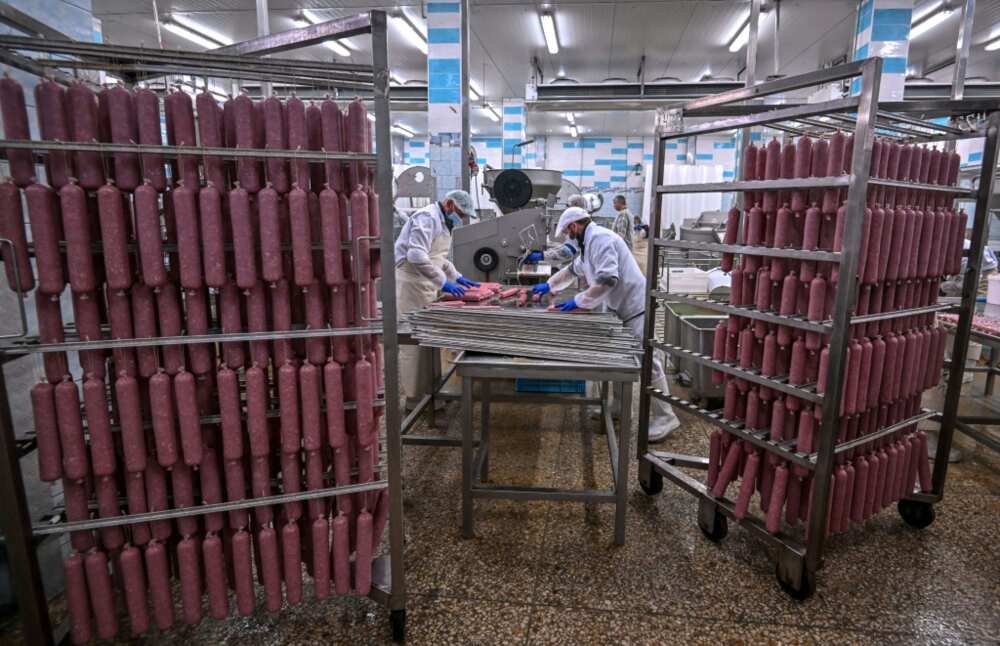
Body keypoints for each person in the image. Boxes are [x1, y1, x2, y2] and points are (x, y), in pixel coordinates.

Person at [532, 206, 680, 442]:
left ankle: (666, 416)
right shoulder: (589, 244)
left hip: (635, 307)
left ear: (574, 226)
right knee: (622, 359)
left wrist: (579, 301)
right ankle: (620, 408)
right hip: (620, 308)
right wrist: (549, 285)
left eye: (569, 233)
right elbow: (573, 269)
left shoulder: (600, 239)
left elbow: (608, 279)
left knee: (648, 363)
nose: (569, 238)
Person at [394, 190, 480, 410]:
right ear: (449, 204)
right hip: (411, 284)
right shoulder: (427, 217)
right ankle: (414, 399)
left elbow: (439, 259)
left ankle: (432, 391)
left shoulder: (443, 222)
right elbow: (416, 256)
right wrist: (444, 284)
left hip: (427, 285)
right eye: (460, 213)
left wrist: (459, 278)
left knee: (430, 340)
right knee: (413, 341)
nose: (460, 219)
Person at [523, 194, 586, 266]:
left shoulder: (578, 225)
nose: (566, 209)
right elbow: (567, 245)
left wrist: (541, 255)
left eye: (568, 206)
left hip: (578, 266)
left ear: (574, 206)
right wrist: (548, 247)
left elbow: (567, 251)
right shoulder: (580, 219)